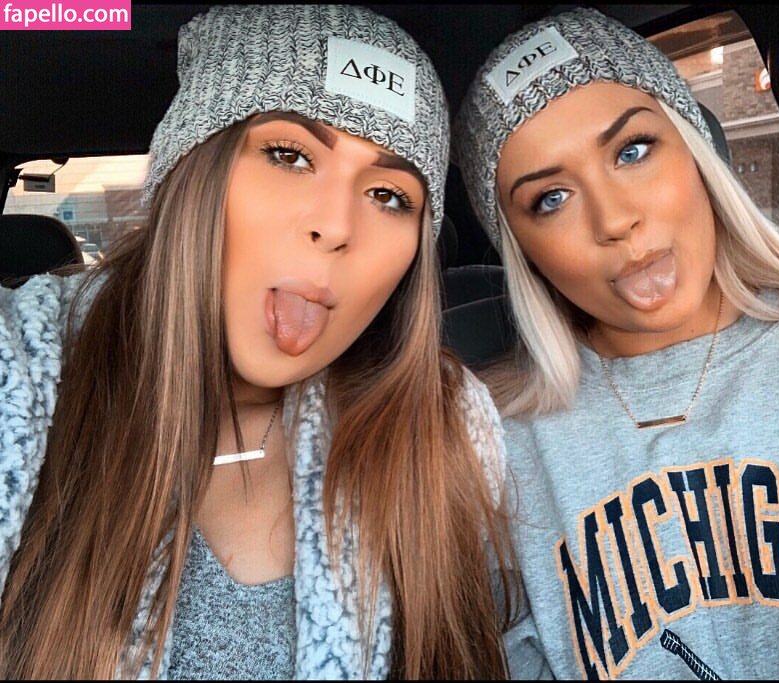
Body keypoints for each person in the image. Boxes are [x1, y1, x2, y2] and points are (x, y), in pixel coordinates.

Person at [0, 5, 515, 679]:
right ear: (194, 171)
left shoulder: (444, 431)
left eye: (389, 195)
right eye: (289, 155)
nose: (336, 225)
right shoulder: (24, 370)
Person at [453, 6, 779, 680]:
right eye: (551, 198)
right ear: (521, 249)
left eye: (632, 151)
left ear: (696, 150)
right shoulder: (490, 449)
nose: (615, 219)